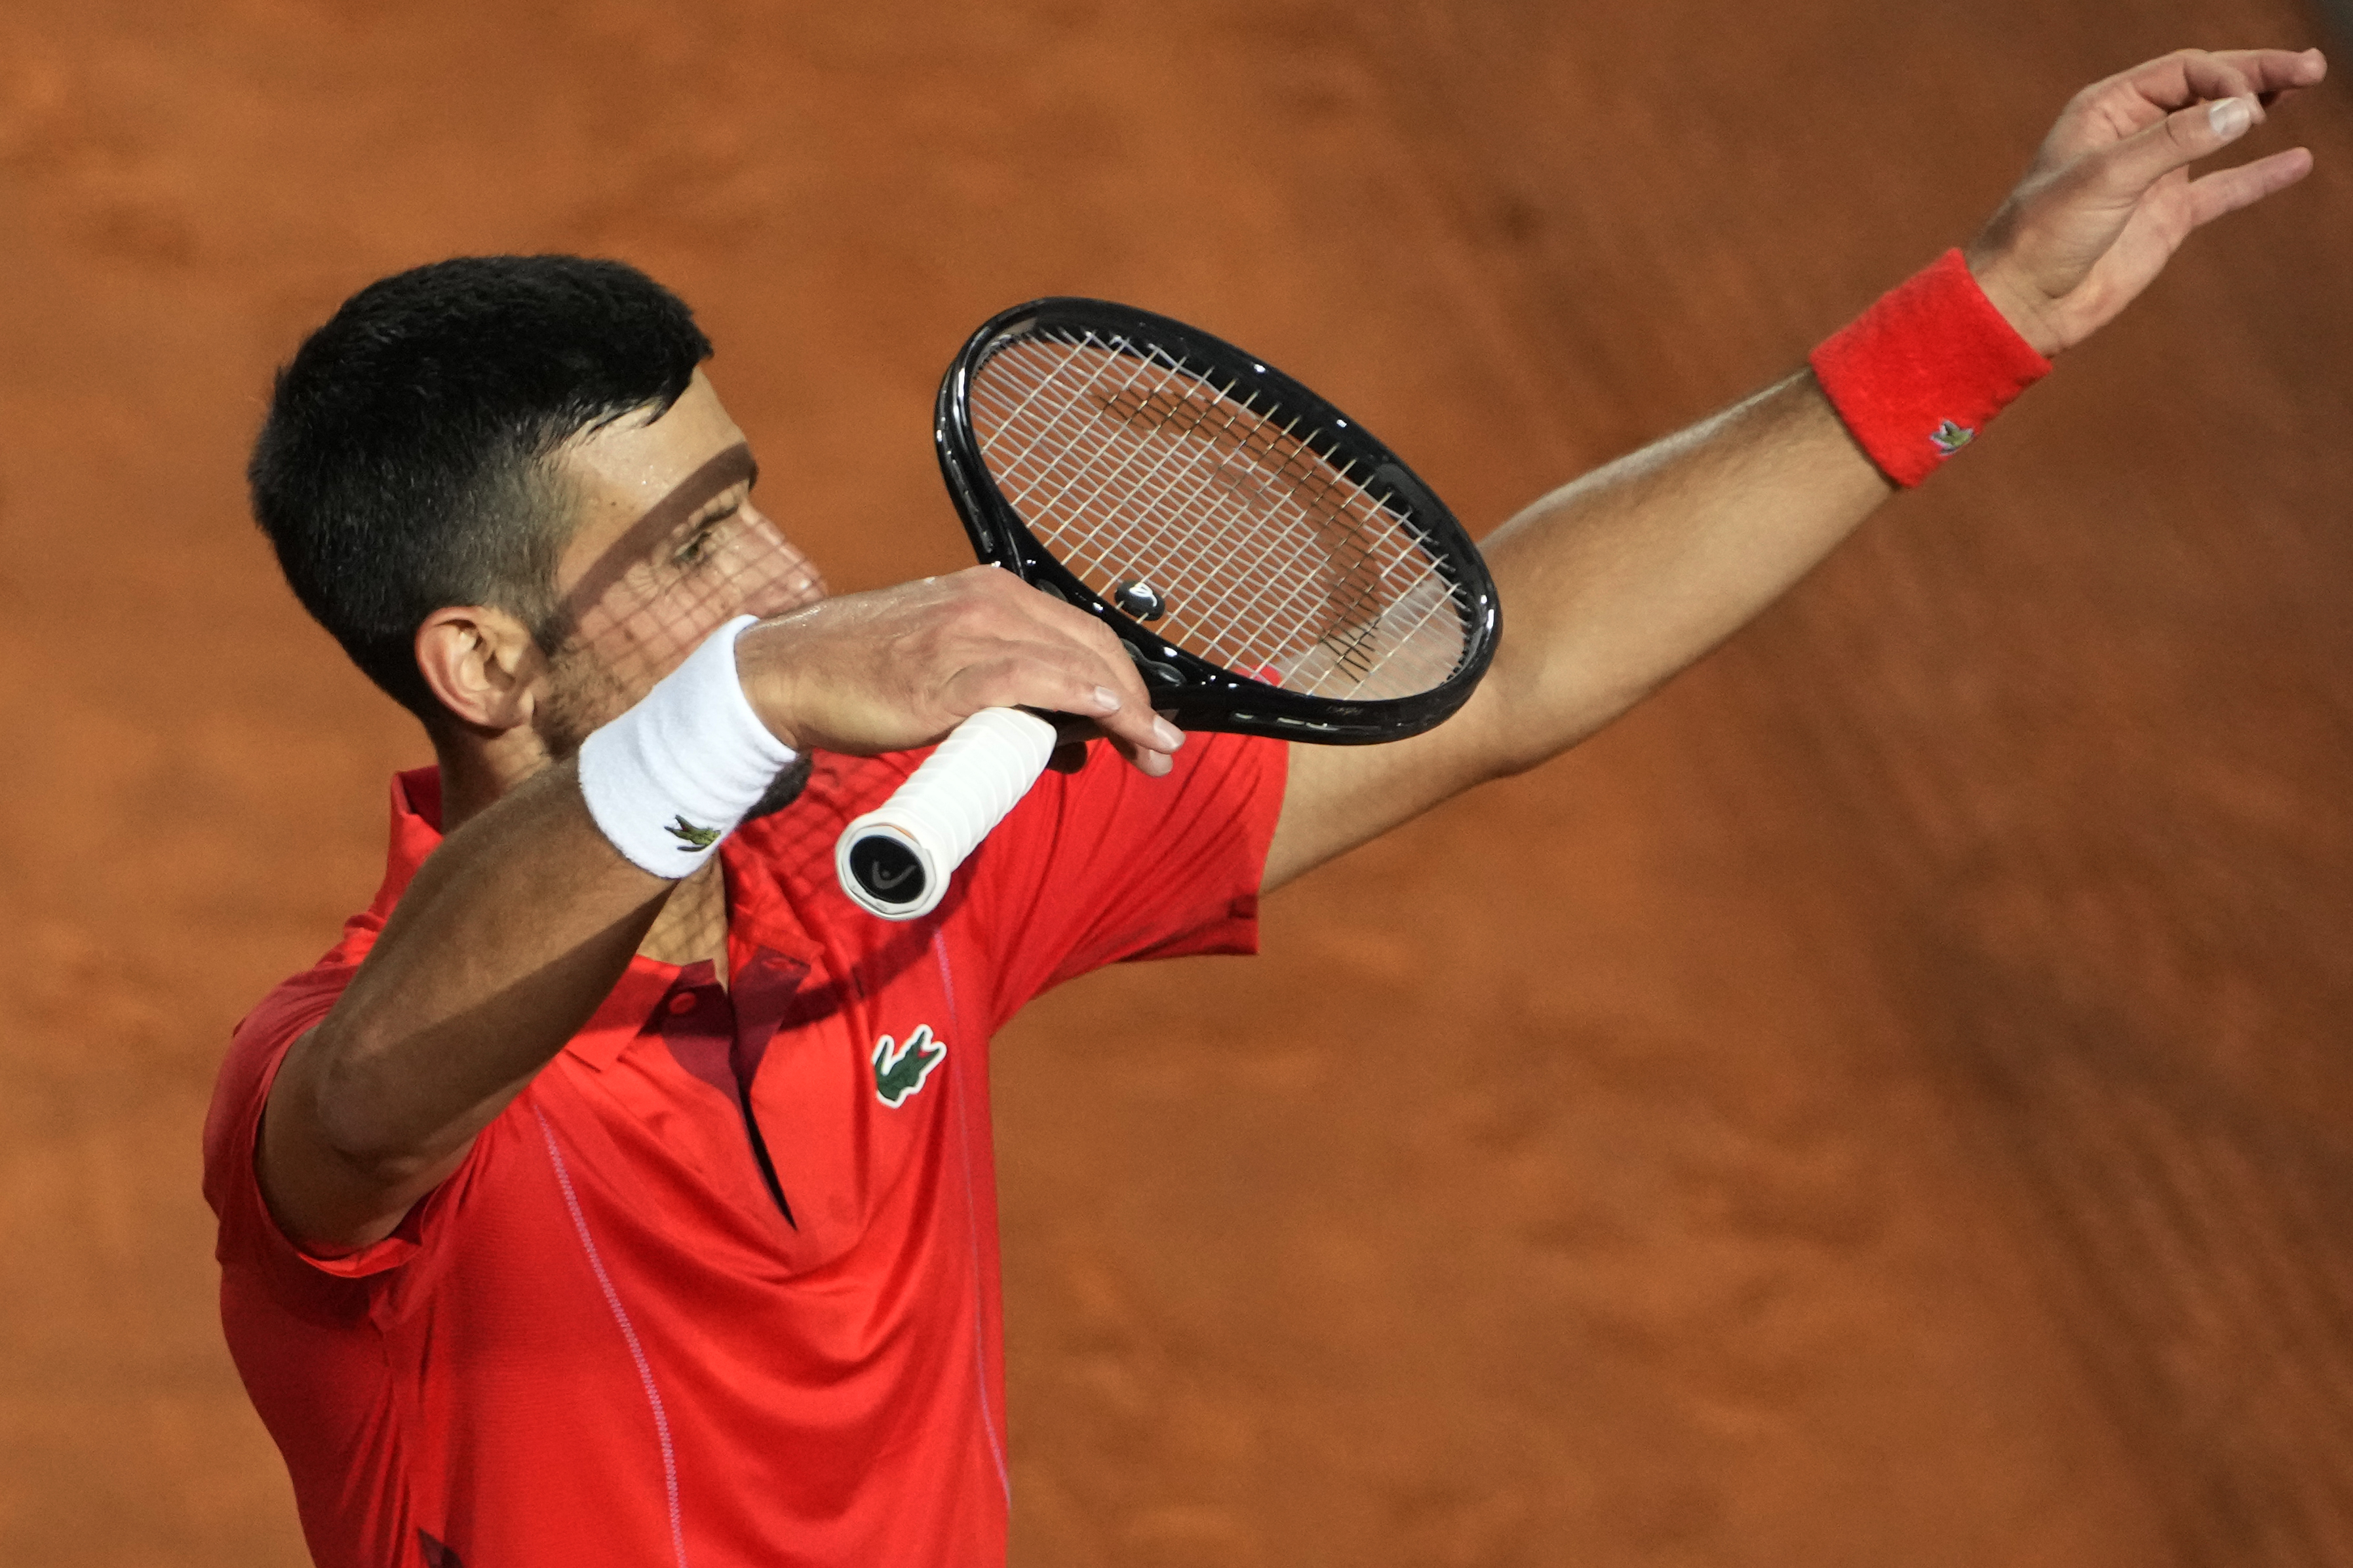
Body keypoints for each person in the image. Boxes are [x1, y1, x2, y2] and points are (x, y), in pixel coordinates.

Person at [204, 46, 2326, 1568]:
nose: (776, 581)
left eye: (749, 507)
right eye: (683, 555)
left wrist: (1985, 318)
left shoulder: (895, 860)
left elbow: (1515, 661)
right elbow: (388, 1086)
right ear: (478, 665)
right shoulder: (351, 1088)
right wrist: (756, 692)